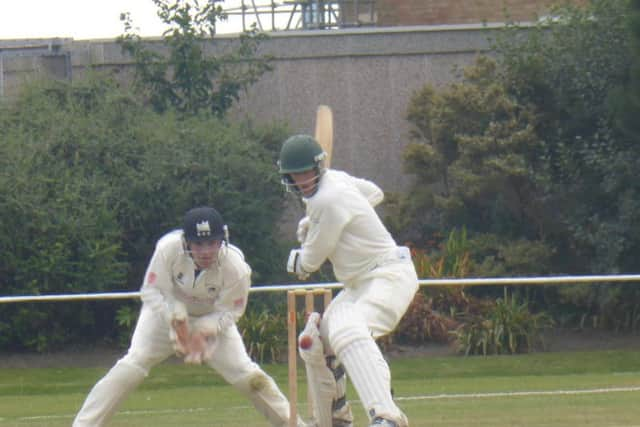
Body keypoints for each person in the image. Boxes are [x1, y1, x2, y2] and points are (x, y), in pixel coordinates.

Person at [73, 206, 305, 427]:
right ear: (187, 242)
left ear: (222, 240)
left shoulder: (236, 267)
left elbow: (231, 310)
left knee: (248, 376)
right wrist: (175, 317)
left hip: (212, 319)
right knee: (134, 363)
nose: (205, 252)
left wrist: (207, 328)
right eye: (199, 244)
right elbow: (151, 291)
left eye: (212, 243)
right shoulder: (167, 249)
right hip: (163, 316)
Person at [278, 135, 419, 427]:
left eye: (306, 172)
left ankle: (387, 417)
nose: (302, 180)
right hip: (357, 285)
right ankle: (335, 418)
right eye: (295, 175)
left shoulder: (327, 199)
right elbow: (374, 194)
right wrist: (322, 219)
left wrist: (305, 240)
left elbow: (308, 264)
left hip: (388, 276)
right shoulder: (338, 182)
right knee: (313, 342)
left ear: (318, 167)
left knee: (347, 329)